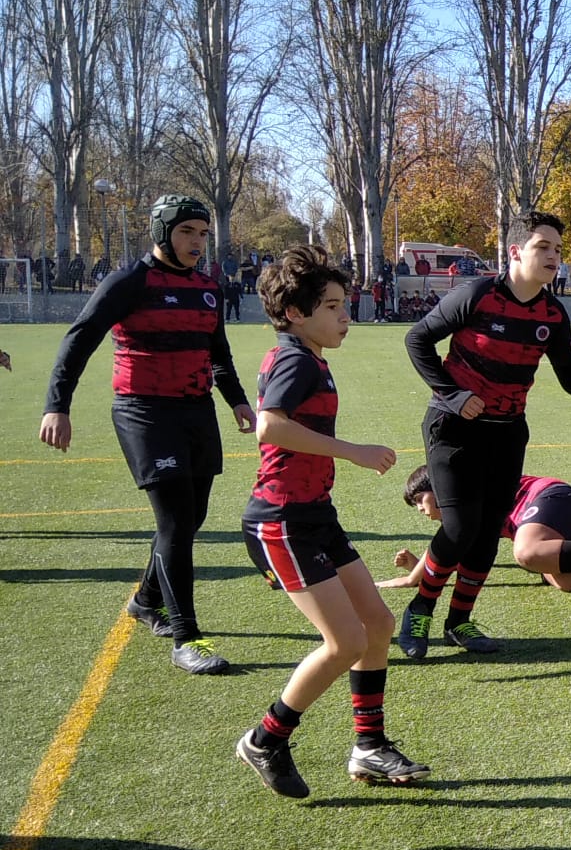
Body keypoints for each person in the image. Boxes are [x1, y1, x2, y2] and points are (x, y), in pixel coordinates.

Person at [40, 194, 256, 676]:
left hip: (197, 411)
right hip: (144, 413)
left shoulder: (207, 287)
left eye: (202, 233)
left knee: (192, 515)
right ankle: (186, 637)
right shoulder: (128, 283)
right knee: (177, 520)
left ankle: (144, 600)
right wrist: (58, 406)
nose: (197, 242)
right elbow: (79, 339)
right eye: (186, 232)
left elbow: (217, 350)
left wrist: (237, 400)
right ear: (162, 233)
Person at [235, 246, 422, 799]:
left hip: (315, 515)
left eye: (346, 305)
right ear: (295, 312)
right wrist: (352, 450)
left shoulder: (308, 357)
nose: (346, 317)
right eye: (334, 306)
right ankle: (266, 738)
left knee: (378, 626)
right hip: (282, 521)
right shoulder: (295, 360)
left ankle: (369, 747)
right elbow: (269, 426)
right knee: (344, 641)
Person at [398, 210, 571, 660]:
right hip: (453, 428)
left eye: (558, 250)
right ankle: (419, 611)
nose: (554, 257)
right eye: (543, 247)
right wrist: (452, 395)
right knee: (459, 525)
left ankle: (459, 622)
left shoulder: (552, 312)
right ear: (515, 252)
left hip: (508, 433)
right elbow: (417, 340)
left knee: (488, 532)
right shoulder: (477, 295)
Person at [386, 466, 571, 595]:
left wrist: (410, 579)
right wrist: (418, 571)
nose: (420, 509)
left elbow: (446, 544)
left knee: (527, 552)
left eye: (419, 499)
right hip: (566, 534)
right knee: (560, 580)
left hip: (558, 499)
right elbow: (448, 549)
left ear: (441, 487)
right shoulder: (463, 520)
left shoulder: (466, 494)